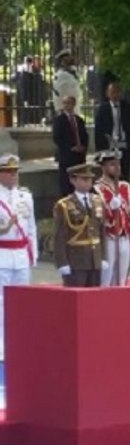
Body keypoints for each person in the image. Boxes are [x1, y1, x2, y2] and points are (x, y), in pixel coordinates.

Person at [0, 154, 37, 359]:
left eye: (15, 172)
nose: (14, 176)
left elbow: (31, 227)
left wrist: (33, 254)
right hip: (2, 254)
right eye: (9, 172)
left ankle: (20, 341)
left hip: (22, 255)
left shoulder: (25, 195)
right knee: (1, 301)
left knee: (22, 300)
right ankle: (2, 344)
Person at [53, 163, 106, 288]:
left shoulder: (97, 201)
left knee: (94, 299)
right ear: (73, 180)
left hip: (95, 259)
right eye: (84, 179)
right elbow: (60, 235)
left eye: (90, 179)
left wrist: (103, 256)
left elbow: (101, 231)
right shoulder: (64, 205)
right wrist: (62, 262)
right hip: (76, 260)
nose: (88, 183)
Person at [94, 150, 130, 287]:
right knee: (107, 273)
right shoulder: (96, 188)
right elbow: (96, 216)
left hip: (125, 235)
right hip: (108, 236)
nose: (117, 167)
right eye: (112, 164)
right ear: (103, 167)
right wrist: (110, 208)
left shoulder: (125, 186)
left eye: (118, 164)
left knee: (122, 275)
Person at [93, 81, 130, 181]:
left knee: (125, 171)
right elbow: (98, 130)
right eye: (112, 92)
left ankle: (124, 191)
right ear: (107, 94)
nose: (115, 95)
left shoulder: (126, 107)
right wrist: (99, 149)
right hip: (110, 145)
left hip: (124, 144)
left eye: (117, 92)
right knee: (111, 172)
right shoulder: (103, 109)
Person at [52, 95, 88, 197]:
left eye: (69, 103)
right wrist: (71, 148)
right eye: (65, 103)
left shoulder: (79, 120)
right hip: (66, 157)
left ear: (74, 104)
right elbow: (57, 138)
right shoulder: (59, 120)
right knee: (66, 184)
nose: (67, 105)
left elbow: (85, 135)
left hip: (79, 157)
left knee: (79, 181)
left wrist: (83, 147)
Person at [51, 49, 80, 115]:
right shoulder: (61, 75)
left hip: (75, 108)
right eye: (68, 57)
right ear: (63, 60)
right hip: (65, 110)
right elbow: (59, 94)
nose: (71, 58)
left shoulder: (73, 72)